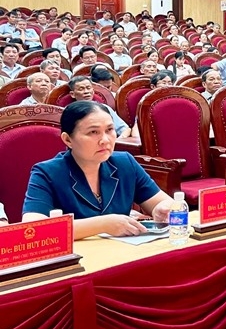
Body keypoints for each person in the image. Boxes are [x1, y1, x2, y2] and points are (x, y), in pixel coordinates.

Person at [21, 101, 174, 239]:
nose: (105, 140)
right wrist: (103, 224)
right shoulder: (47, 172)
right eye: (93, 132)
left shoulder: (125, 162)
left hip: (124, 255)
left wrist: (161, 209)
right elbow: (33, 230)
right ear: (67, 140)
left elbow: (164, 202)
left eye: (109, 130)